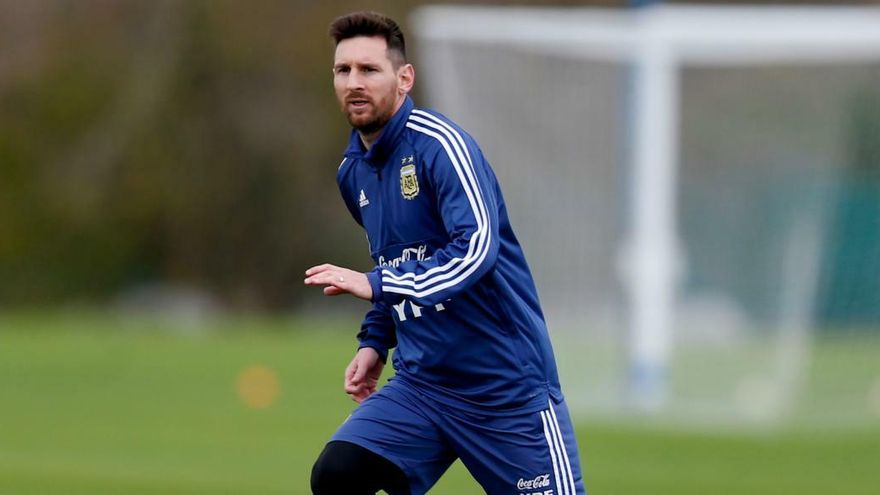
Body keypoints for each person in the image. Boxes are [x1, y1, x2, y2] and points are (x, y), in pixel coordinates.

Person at [305, 11, 586, 495]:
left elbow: (476, 250)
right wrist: (375, 341)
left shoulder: (442, 147)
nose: (354, 82)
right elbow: (394, 262)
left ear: (404, 78)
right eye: (343, 70)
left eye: (369, 69)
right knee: (338, 475)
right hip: (423, 387)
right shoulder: (353, 173)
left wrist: (374, 285)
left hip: (504, 388)